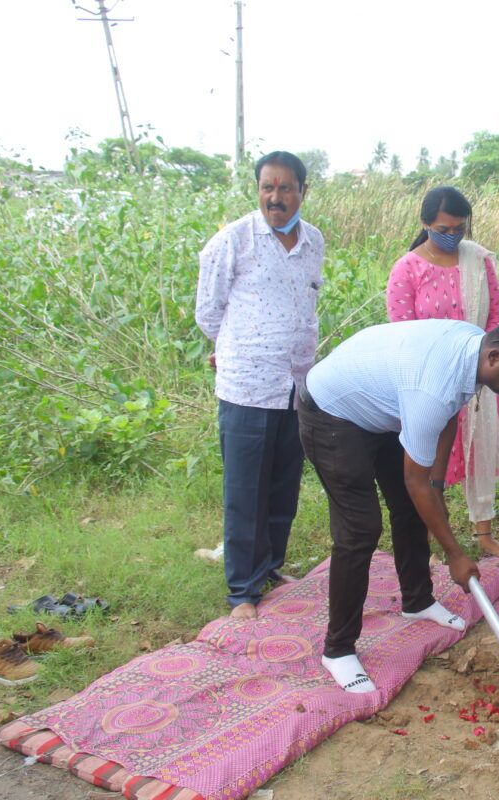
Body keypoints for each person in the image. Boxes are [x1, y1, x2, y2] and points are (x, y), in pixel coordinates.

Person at [297, 316, 499, 693]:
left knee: (414, 505)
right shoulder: (433, 387)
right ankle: (338, 650)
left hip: (382, 406)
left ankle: (417, 601)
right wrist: (455, 554)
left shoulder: (473, 350)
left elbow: (447, 417)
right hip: (331, 411)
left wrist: (437, 485)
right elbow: (419, 470)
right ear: (495, 357)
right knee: (360, 529)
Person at [195, 151, 324, 620]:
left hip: (295, 385)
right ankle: (242, 592)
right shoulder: (232, 241)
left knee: (282, 487)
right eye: (267, 187)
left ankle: (269, 568)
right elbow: (209, 311)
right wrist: (235, 349)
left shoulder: (313, 241)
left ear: (302, 191)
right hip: (247, 384)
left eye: (285, 187)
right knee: (245, 492)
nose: (275, 197)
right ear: (258, 190)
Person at [387, 187, 499, 557]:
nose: (453, 236)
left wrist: (482, 363)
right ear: (426, 223)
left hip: (476, 375)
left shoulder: (478, 260)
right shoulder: (407, 268)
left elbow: (497, 314)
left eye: (460, 228)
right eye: (444, 229)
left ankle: (484, 533)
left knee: (479, 451)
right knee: (429, 462)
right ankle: (429, 538)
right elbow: (403, 333)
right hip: (429, 382)